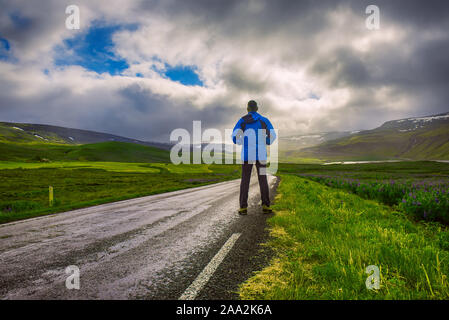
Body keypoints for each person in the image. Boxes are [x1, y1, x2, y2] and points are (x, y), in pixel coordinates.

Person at [231, 100, 276, 215]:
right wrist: (266, 141)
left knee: (245, 180)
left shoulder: (243, 121)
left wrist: (241, 141)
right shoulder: (264, 121)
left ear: (247, 109)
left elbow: (235, 137)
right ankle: (266, 206)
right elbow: (273, 135)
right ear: (257, 109)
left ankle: (243, 208)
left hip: (247, 155)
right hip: (261, 155)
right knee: (262, 180)